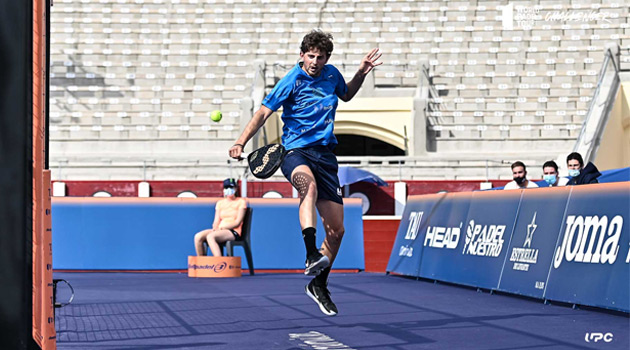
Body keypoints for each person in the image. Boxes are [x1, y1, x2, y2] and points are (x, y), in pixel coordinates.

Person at [229, 30, 382, 316]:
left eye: (319, 57)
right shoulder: (291, 81)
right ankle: (311, 252)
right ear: (302, 55)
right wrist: (241, 141)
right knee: (306, 187)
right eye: (310, 55)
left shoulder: (331, 75)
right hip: (294, 153)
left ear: (327, 58)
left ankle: (319, 285)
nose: (314, 61)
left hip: (325, 156)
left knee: (337, 231)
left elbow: (346, 95)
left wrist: (361, 73)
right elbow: (262, 113)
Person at [193, 178, 248, 257]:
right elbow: (216, 220)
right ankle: (202, 263)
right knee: (198, 237)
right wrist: (216, 228)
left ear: (235, 189)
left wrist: (224, 227)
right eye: (226, 188)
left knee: (211, 237)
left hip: (233, 231)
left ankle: (219, 262)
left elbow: (238, 222)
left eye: (231, 187)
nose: (229, 190)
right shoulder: (220, 203)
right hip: (219, 229)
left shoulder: (241, 202)